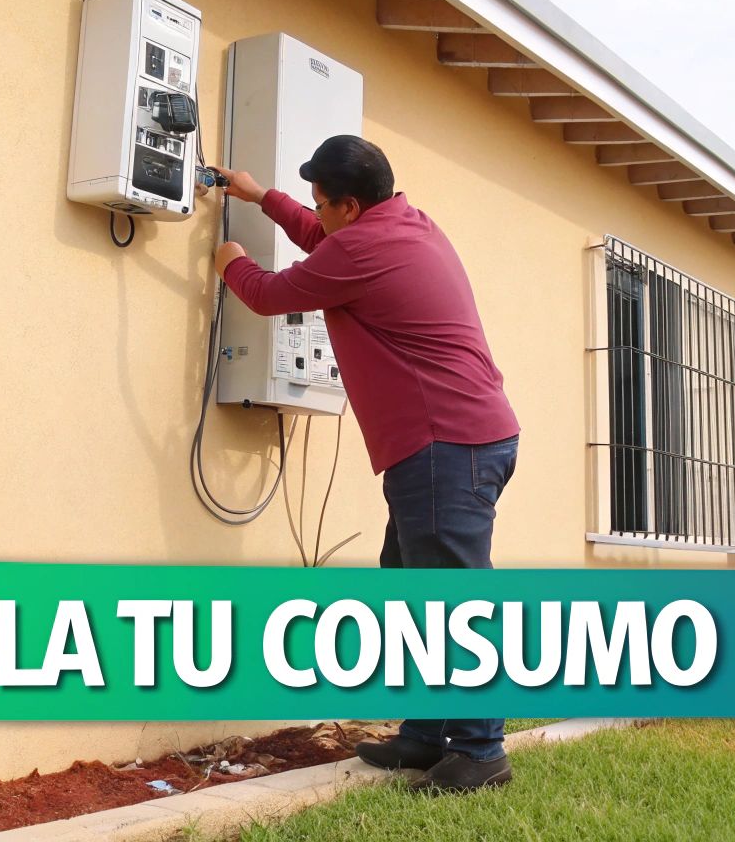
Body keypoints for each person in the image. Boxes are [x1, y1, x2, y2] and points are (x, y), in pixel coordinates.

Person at [210, 134, 519, 792]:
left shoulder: (360, 248)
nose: (317, 213)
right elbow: (322, 238)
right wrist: (263, 197)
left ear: (350, 206)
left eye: (322, 202)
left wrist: (229, 262)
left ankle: (481, 752)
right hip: (456, 442)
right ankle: (425, 735)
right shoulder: (402, 224)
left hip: (446, 445)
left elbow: (268, 293)